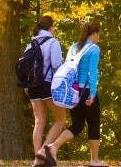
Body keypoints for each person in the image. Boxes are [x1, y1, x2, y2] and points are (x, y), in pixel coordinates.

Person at [39, 21, 107, 167]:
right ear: (94, 33)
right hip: (87, 90)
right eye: (98, 34)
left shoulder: (73, 47)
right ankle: (94, 160)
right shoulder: (94, 49)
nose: (98, 37)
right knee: (93, 124)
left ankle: (52, 147)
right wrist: (93, 94)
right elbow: (92, 72)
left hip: (73, 92)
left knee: (77, 125)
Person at [28, 16, 65, 167]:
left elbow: (26, 68)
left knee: (39, 122)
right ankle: (43, 151)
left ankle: (37, 160)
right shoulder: (53, 42)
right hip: (48, 84)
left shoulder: (31, 44)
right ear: (50, 27)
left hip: (32, 86)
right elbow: (56, 65)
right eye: (54, 27)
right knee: (61, 120)